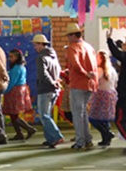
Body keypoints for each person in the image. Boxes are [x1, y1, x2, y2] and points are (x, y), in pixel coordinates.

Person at [65, 23, 98, 151]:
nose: (68, 37)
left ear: (74, 35)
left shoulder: (72, 47)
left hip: (78, 83)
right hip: (90, 84)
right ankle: (87, 139)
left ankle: (80, 141)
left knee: (77, 114)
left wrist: (84, 74)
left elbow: (75, 64)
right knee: (83, 113)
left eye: (69, 35)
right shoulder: (89, 46)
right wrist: (90, 76)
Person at [32, 34, 64, 148]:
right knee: (47, 115)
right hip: (55, 90)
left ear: (41, 44)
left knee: (44, 116)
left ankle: (56, 136)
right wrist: (55, 81)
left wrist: (51, 82)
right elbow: (59, 70)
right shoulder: (53, 56)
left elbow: (43, 74)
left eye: (35, 45)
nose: (34, 48)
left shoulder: (41, 58)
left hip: (45, 90)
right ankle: (50, 139)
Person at [3, 49, 35, 141]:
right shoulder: (22, 66)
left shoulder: (16, 68)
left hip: (15, 91)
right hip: (20, 90)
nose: (10, 59)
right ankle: (19, 133)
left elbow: (12, 82)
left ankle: (29, 129)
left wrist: (4, 91)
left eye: (12, 57)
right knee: (14, 114)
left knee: (13, 114)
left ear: (17, 57)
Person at [88, 51, 117, 147]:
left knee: (93, 117)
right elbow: (116, 82)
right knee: (105, 118)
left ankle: (107, 133)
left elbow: (95, 82)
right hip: (111, 94)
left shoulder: (99, 70)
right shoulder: (112, 70)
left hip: (100, 95)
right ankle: (106, 139)